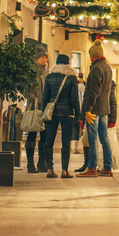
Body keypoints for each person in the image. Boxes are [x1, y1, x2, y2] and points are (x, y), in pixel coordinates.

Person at [42, 54, 80, 178]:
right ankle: (64, 170)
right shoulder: (72, 78)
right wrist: (78, 114)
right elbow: (75, 99)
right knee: (66, 142)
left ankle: (49, 169)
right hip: (67, 113)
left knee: (49, 141)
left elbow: (45, 97)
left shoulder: (49, 77)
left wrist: (44, 112)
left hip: (52, 113)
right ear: (68, 64)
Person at [79, 42, 114, 177]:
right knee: (104, 137)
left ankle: (92, 167)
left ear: (92, 55)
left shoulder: (96, 69)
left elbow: (93, 91)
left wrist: (87, 109)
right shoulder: (107, 68)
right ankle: (107, 166)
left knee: (92, 138)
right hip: (105, 108)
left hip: (94, 109)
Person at [25, 45, 48, 173]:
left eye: (45, 57)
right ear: (36, 59)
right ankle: (30, 163)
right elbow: (26, 89)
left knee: (44, 136)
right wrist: (32, 98)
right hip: (33, 109)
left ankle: (42, 161)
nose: (44, 60)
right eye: (41, 57)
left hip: (45, 109)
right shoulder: (31, 72)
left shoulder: (48, 72)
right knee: (32, 135)